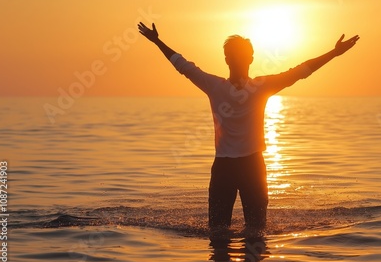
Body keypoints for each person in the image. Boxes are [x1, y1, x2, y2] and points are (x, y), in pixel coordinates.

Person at [138, 22, 359, 232]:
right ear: (235, 59)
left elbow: (301, 71)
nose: (238, 59)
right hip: (237, 167)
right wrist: (333, 53)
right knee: (233, 234)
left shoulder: (233, 86)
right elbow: (301, 71)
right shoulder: (247, 86)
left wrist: (333, 53)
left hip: (241, 167)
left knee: (240, 235)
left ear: (243, 58)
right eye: (237, 55)